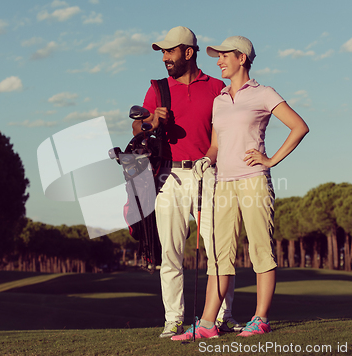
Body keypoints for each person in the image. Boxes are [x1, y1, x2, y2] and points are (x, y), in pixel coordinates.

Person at [172, 35, 309, 341]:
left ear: (242, 58)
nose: (218, 61)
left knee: (260, 248)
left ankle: (260, 319)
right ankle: (207, 323)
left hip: (253, 180)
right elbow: (216, 145)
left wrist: (270, 159)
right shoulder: (219, 100)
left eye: (223, 56)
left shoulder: (263, 93)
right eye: (217, 57)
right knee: (219, 255)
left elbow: (299, 126)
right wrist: (205, 160)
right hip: (223, 183)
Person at [132, 26, 241, 338]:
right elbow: (137, 131)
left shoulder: (216, 88)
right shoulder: (158, 89)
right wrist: (151, 122)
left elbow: (229, 133)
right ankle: (173, 319)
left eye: (170, 51)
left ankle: (221, 316)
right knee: (171, 253)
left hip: (209, 173)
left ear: (188, 53)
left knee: (218, 250)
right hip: (169, 176)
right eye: (163, 52)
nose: (165, 57)